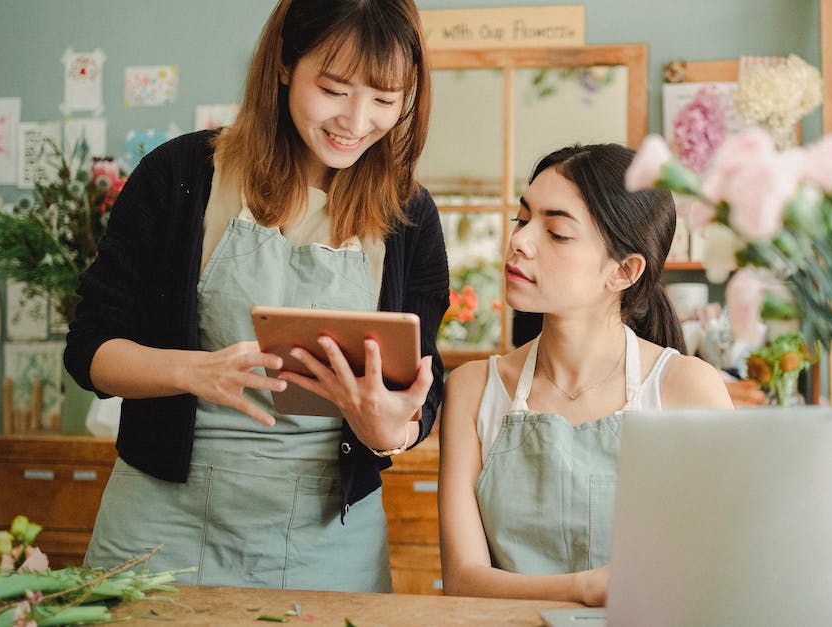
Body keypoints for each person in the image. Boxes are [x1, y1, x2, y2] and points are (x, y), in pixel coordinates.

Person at [64, 0, 448, 592]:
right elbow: (90, 349)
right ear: (284, 64)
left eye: (385, 99)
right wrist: (195, 371)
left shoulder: (409, 215)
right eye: (334, 89)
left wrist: (390, 430)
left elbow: (422, 383)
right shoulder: (180, 174)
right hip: (159, 523)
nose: (356, 120)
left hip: (330, 537)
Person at [437, 143, 734, 607]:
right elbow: (463, 580)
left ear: (624, 271)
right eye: (521, 219)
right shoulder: (473, 389)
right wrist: (585, 587)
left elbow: (724, 565)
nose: (519, 241)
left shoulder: (687, 388)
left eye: (556, 232)